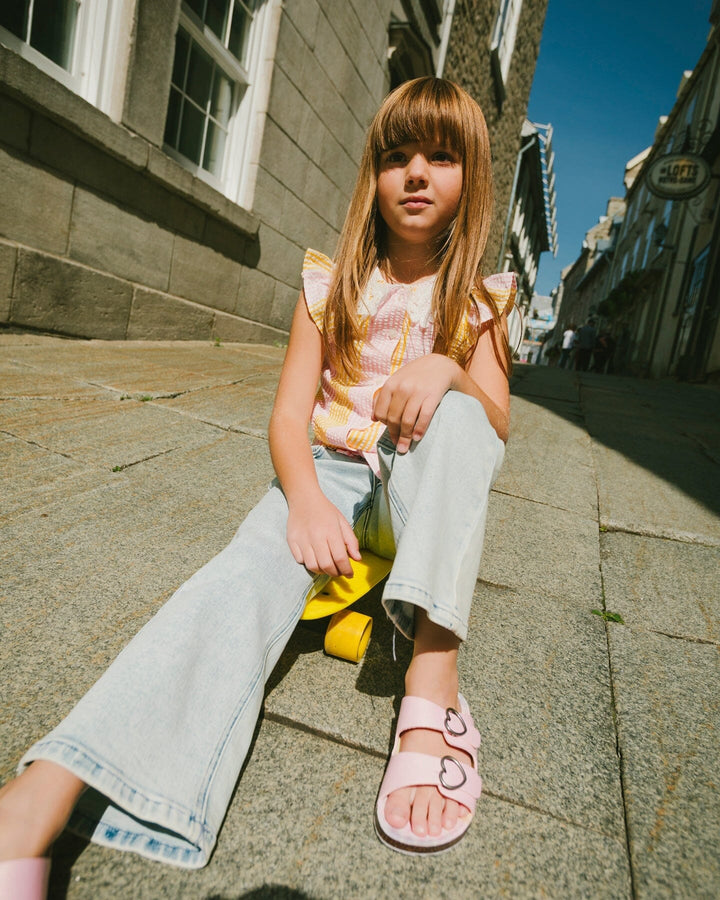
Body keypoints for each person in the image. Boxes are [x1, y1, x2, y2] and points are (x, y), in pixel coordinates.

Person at [0, 77, 516, 894]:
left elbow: (498, 427)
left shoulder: (480, 303)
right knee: (234, 580)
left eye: (442, 157)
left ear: (470, 178)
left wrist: (451, 368)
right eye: (397, 156)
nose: (417, 172)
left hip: (422, 486)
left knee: (460, 418)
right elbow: (287, 418)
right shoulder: (328, 283)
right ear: (373, 175)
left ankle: (431, 677)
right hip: (335, 480)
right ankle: (38, 800)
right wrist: (305, 502)